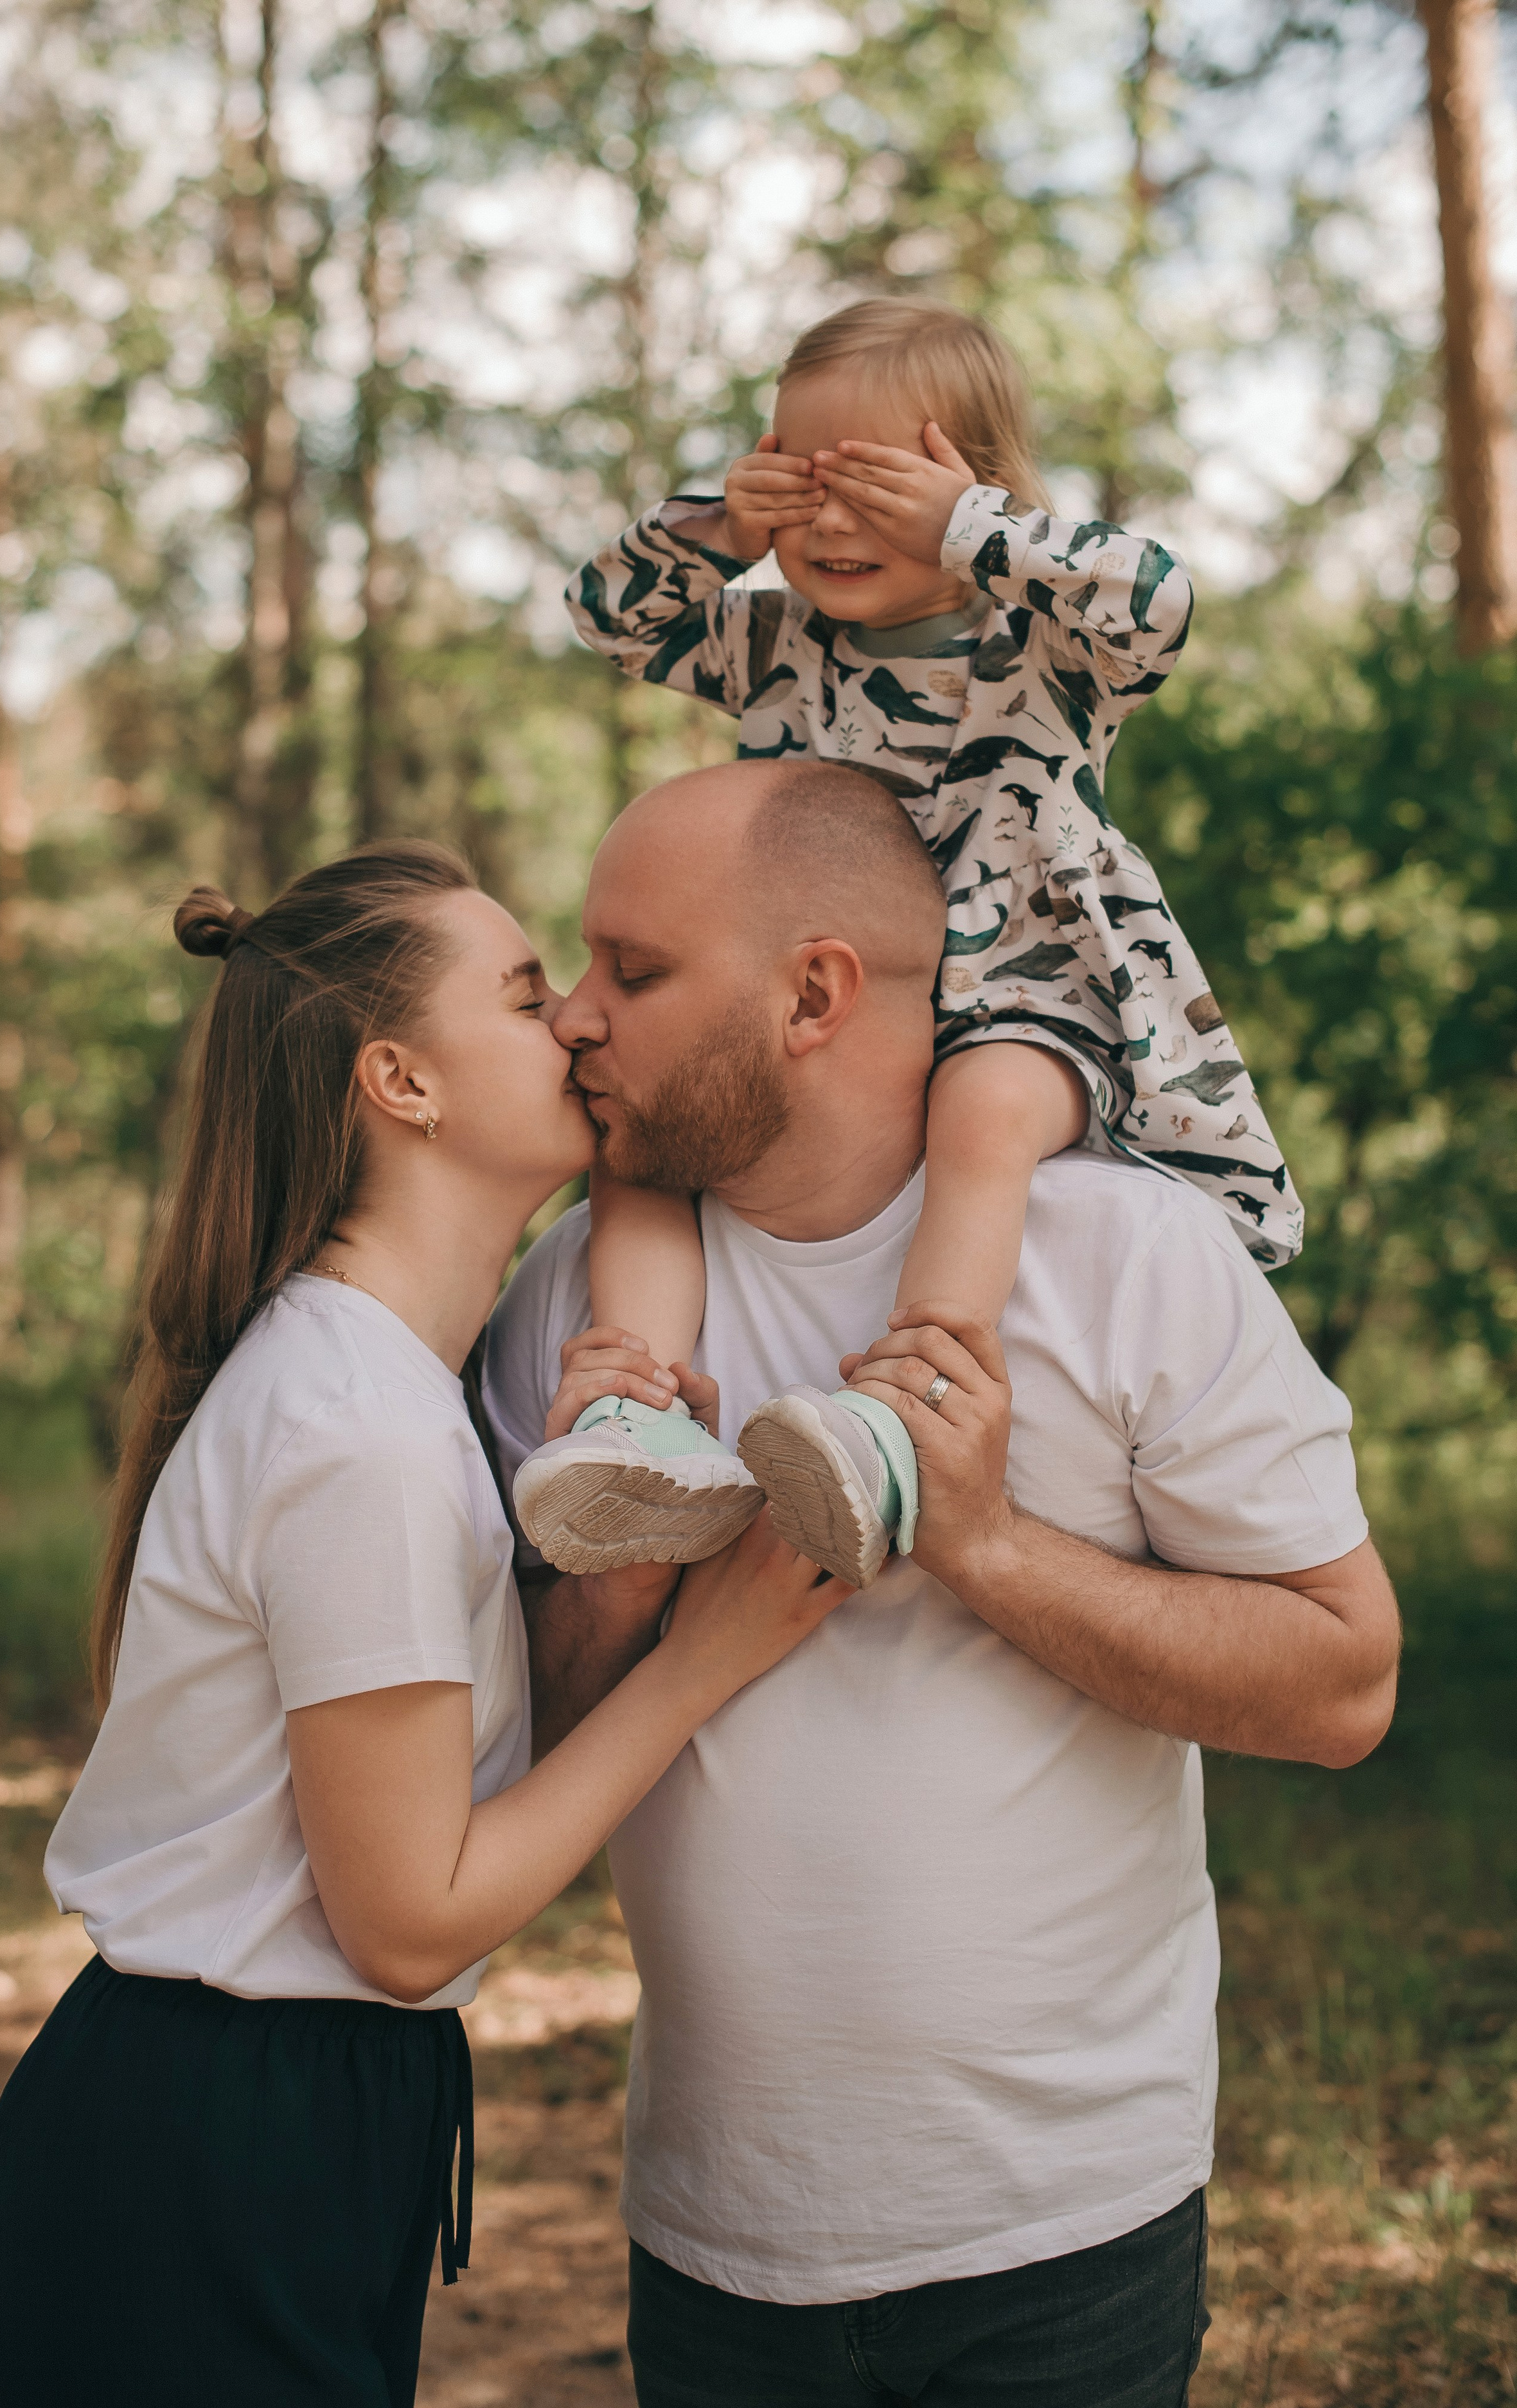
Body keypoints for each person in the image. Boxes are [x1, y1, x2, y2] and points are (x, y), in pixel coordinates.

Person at [484, 763, 1401, 2408]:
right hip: (713, 2231)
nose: (577, 1021)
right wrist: (610, 1575)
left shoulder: (1126, 1258)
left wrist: (982, 1542)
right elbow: (503, 1767)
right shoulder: (574, 1309)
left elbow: (1344, 1684)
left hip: (1066, 2228)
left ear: (816, 990)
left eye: (636, 969)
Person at [0, 841, 848, 2408]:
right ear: (400, 1081)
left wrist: (613, 1577)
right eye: (527, 994)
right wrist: (706, 1658)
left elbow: (455, 1805)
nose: (579, 1022)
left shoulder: (399, 1389)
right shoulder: (354, 1427)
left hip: (270, 2136)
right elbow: (411, 1922)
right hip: (197, 2167)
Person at [512, 296, 1302, 1591]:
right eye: (799, 485)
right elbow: (609, 614)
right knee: (649, 1143)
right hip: (815, 1025)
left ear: (972, 486)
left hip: (1022, 991)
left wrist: (967, 535)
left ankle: (901, 1414)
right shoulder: (774, 645)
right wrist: (720, 527)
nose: (828, 524)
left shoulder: (1039, 641)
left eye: (871, 487)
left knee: (983, 1117)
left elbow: (1158, 603)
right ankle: (640, 1415)